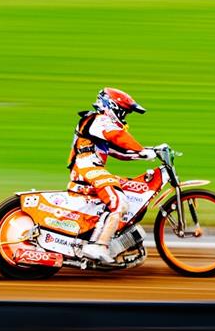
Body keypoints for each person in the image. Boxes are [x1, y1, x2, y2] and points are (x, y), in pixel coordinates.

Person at [66, 87, 156, 264]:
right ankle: (98, 245)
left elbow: (120, 152)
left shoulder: (100, 125)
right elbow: (117, 135)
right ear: (113, 107)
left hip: (92, 169)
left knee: (130, 190)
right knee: (119, 201)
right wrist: (141, 150)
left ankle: (119, 239)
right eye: (124, 113)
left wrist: (150, 151)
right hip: (86, 168)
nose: (124, 118)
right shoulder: (98, 120)